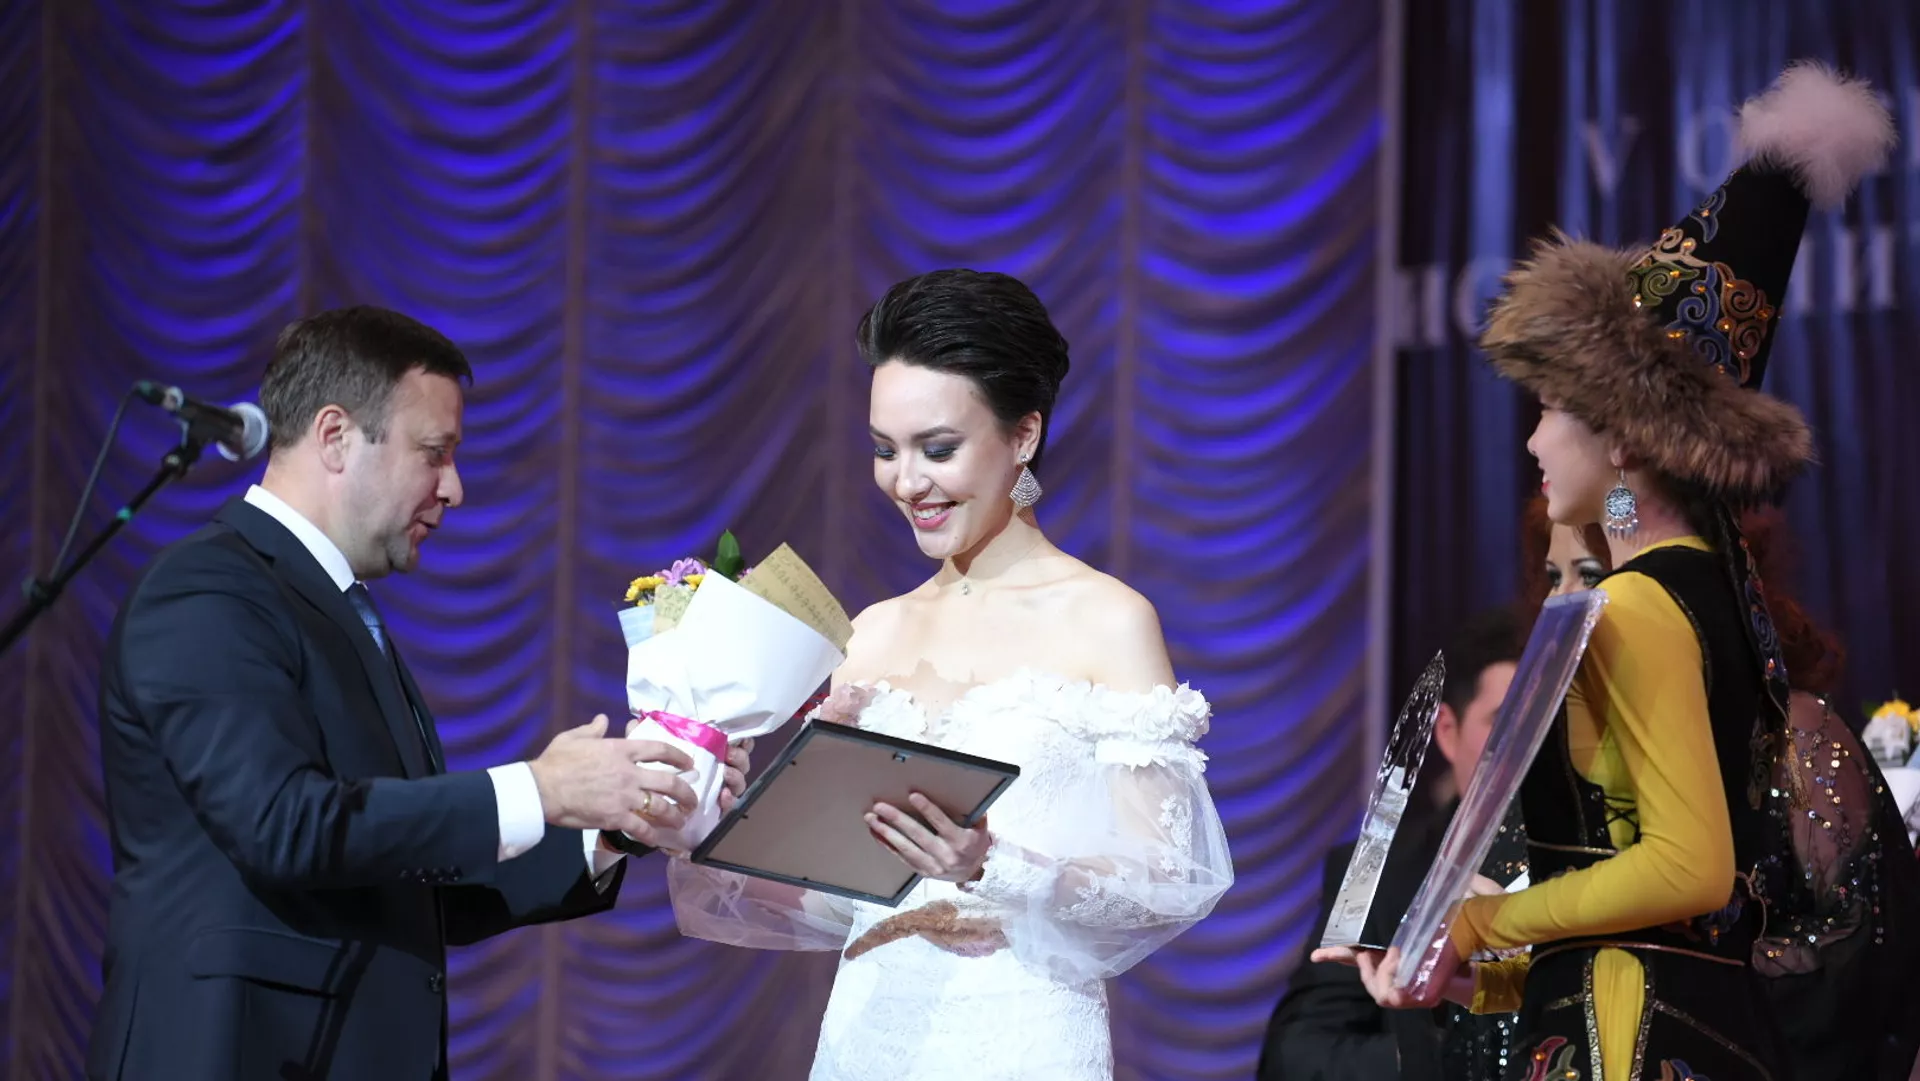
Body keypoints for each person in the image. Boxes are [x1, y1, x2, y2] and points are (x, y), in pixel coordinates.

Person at [1317, 60, 1895, 1079]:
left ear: (1625, 437)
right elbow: (1649, 912)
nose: (1534, 439)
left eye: (1551, 409)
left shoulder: (1637, 601)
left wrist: (1482, 920)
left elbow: (1688, 867)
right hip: (1635, 1013)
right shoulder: (1687, 586)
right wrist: (1477, 974)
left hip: (1632, 1036)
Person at [85, 306, 748, 1081]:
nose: (455, 488)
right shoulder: (207, 590)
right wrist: (539, 786)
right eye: (435, 453)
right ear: (336, 436)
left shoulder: (344, 612)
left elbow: (414, 879)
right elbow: (284, 824)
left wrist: (615, 821)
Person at [665, 268, 1234, 1081]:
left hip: (1025, 1035)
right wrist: (711, 825)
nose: (906, 482)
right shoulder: (869, 634)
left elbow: (1166, 883)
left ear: (1024, 435)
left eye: (937, 449)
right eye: (884, 449)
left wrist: (991, 863)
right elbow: (833, 893)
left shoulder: (1108, 619)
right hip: (866, 1035)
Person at [1258, 609, 1523, 1081]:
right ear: (1448, 732)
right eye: (1505, 723)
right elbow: (1296, 1053)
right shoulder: (1377, 871)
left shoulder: (1600, 867)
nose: (1532, 744)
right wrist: (1440, 1054)